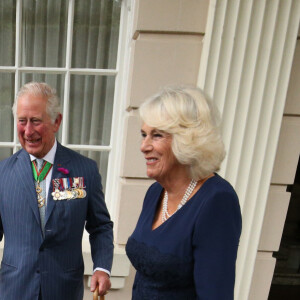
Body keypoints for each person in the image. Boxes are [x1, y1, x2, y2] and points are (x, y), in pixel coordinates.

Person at [126, 86, 242, 299]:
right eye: (144, 135)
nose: (144, 146)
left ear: (187, 141)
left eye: (157, 135)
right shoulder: (156, 192)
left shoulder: (217, 201)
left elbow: (215, 294)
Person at [0, 82, 113, 300]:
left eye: (36, 121)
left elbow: (100, 227)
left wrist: (102, 267)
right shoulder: (3, 173)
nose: (28, 131)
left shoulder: (84, 170)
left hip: (64, 290)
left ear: (56, 121)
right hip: (15, 290)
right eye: (22, 121)